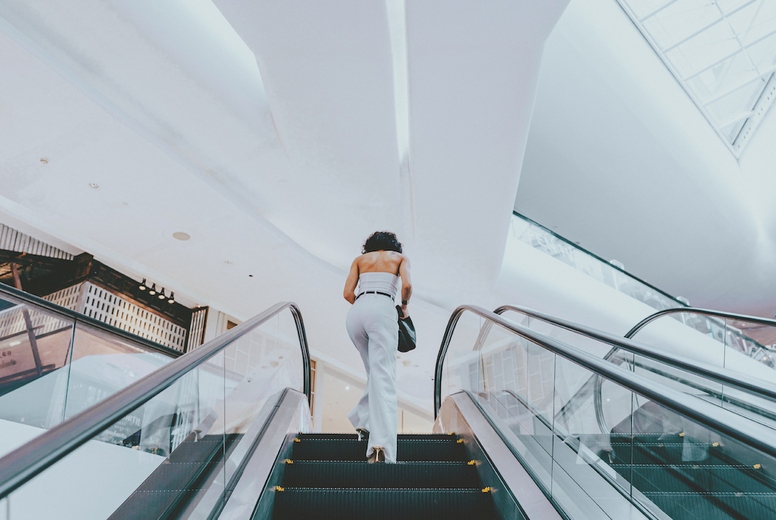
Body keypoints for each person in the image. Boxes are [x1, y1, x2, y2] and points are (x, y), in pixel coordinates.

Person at [343, 231, 412, 463]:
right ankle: (380, 447)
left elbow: (347, 293)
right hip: (383, 307)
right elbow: (407, 286)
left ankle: (364, 422)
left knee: (375, 373)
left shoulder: (359, 260)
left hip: (357, 311)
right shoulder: (399, 259)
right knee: (384, 377)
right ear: (394, 246)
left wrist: (363, 304)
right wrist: (403, 307)